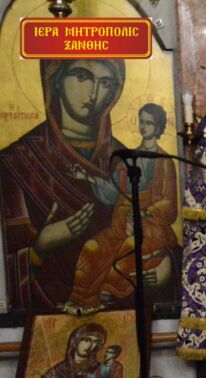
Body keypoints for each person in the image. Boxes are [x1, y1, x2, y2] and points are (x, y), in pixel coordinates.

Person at [0, 60, 126, 309]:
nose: (93, 93)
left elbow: (155, 233)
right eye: (82, 77)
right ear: (55, 80)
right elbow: (8, 265)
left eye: (105, 83)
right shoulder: (18, 161)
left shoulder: (127, 161)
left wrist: (164, 262)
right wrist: (42, 245)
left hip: (115, 300)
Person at [67, 103, 179, 307]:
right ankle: (82, 300)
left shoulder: (164, 162)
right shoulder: (129, 158)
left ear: (158, 127)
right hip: (121, 226)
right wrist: (87, 178)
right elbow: (113, 192)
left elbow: (170, 204)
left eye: (149, 123)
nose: (144, 126)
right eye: (142, 121)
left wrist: (146, 212)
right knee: (92, 247)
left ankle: (109, 288)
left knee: (129, 247)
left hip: (152, 229)